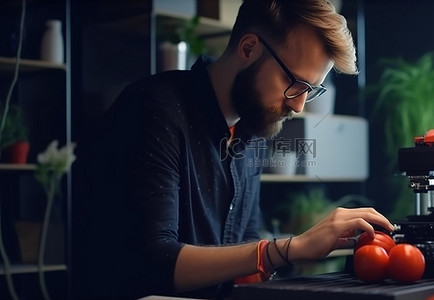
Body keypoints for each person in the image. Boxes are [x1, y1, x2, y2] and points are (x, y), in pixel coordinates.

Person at [72, 0, 395, 299]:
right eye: (294, 83)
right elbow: (154, 263)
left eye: (309, 90)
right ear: (249, 47)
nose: (298, 106)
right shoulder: (154, 109)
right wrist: (289, 248)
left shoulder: (251, 130)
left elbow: (244, 249)